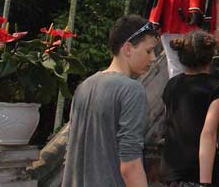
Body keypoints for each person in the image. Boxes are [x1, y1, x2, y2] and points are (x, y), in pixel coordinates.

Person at [62, 15, 159, 187]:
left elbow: (71, 150)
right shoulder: (131, 90)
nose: (153, 58)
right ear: (127, 49)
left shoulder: (84, 86)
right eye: (148, 51)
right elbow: (130, 166)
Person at [160, 30, 219, 186]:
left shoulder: (172, 84)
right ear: (210, 56)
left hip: (171, 168)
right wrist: (205, 182)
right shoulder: (217, 88)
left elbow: (169, 124)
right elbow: (208, 133)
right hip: (197, 169)